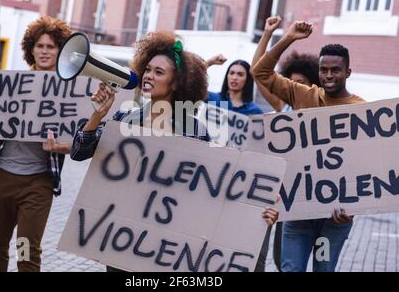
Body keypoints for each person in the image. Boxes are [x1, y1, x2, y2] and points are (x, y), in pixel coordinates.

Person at [70, 31, 279, 272]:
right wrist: (97, 114)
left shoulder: (195, 130)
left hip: (164, 244)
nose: (148, 76)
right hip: (122, 235)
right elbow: (78, 151)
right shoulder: (125, 118)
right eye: (147, 69)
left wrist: (256, 206)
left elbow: (212, 188)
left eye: (159, 72)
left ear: (177, 82)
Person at [251, 20, 365, 272]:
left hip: (334, 221)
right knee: (291, 270)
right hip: (299, 215)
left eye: (336, 70)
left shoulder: (362, 111)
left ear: (348, 72)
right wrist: (288, 37)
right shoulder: (304, 95)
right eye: (324, 69)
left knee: (323, 270)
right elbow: (260, 73)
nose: (329, 75)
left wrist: (353, 209)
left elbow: (365, 166)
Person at [0, 16, 73, 272]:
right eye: (40, 46)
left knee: (26, 251)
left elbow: (78, 142)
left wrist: (61, 146)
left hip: (37, 185)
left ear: (60, 51)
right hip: (3, 180)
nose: (45, 51)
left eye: (51, 47)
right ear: (31, 49)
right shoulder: (14, 86)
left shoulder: (68, 93)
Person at [251, 16, 320, 271]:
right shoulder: (283, 106)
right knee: (257, 248)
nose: (293, 87)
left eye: (300, 84)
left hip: (300, 194)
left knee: (285, 259)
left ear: (313, 86)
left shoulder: (320, 112)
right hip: (274, 189)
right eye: (290, 83)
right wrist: (268, 34)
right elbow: (257, 71)